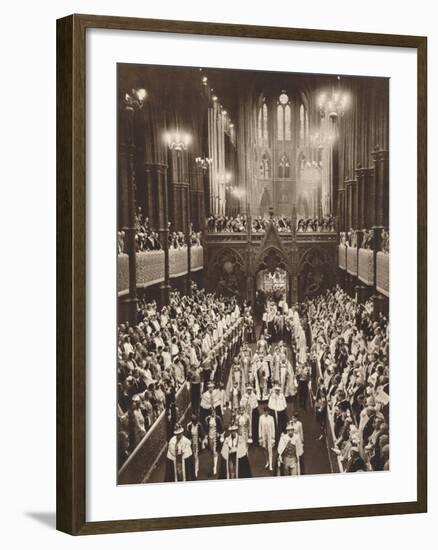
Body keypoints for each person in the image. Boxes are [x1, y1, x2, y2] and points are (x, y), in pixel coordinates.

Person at [204, 407, 223, 476]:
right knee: (212, 451)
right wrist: (206, 437)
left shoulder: (218, 418)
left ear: (215, 412)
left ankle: (214, 467)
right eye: (211, 412)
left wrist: (220, 434)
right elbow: (206, 428)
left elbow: (221, 428)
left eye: (213, 411)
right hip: (210, 437)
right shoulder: (208, 419)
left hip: (215, 437)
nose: (212, 413)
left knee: (215, 452)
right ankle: (215, 457)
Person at [186, 414, 205, 478]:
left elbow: (202, 435)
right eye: (193, 421)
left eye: (195, 421)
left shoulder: (199, 425)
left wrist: (201, 439)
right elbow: (188, 435)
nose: (194, 423)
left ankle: (196, 471)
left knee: (196, 456)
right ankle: (193, 469)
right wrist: (189, 439)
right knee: (192, 456)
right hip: (192, 444)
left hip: (196, 443)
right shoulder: (189, 426)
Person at [259, 406, 275, 470]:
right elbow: (259, 428)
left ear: (268, 412)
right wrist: (260, 438)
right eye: (265, 411)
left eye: (267, 411)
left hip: (270, 436)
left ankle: (271, 465)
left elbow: (273, 428)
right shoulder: (261, 418)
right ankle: (267, 462)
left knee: (270, 450)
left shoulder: (271, 418)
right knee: (265, 450)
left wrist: (273, 438)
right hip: (263, 436)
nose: (266, 413)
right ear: (263, 411)